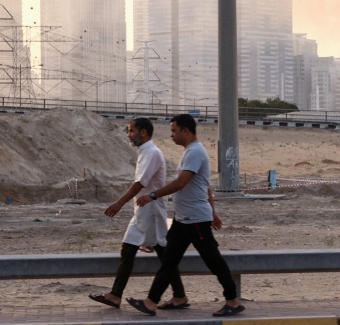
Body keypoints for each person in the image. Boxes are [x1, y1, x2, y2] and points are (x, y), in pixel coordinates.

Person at [127, 114, 244, 318]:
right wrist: (214, 212)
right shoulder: (190, 152)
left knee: (213, 260)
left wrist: (153, 195)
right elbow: (204, 185)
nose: (171, 135)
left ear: (185, 131)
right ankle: (153, 302)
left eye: (174, 131)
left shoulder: (195, 153)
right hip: (183, 220)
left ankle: (232, 300)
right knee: (169, 262)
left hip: (195, 220)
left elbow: (181, 183)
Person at [89, 117, 189, 310]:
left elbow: (140, 184)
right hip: (143, 212)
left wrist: (119, 203)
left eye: (131, 131)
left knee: (162, 253)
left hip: (151, 212)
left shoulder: (151, 153)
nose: (129, 135)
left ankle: (179, 295)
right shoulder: (145, 152)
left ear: (143, 133)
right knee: (130, 250)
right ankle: (116, 295)